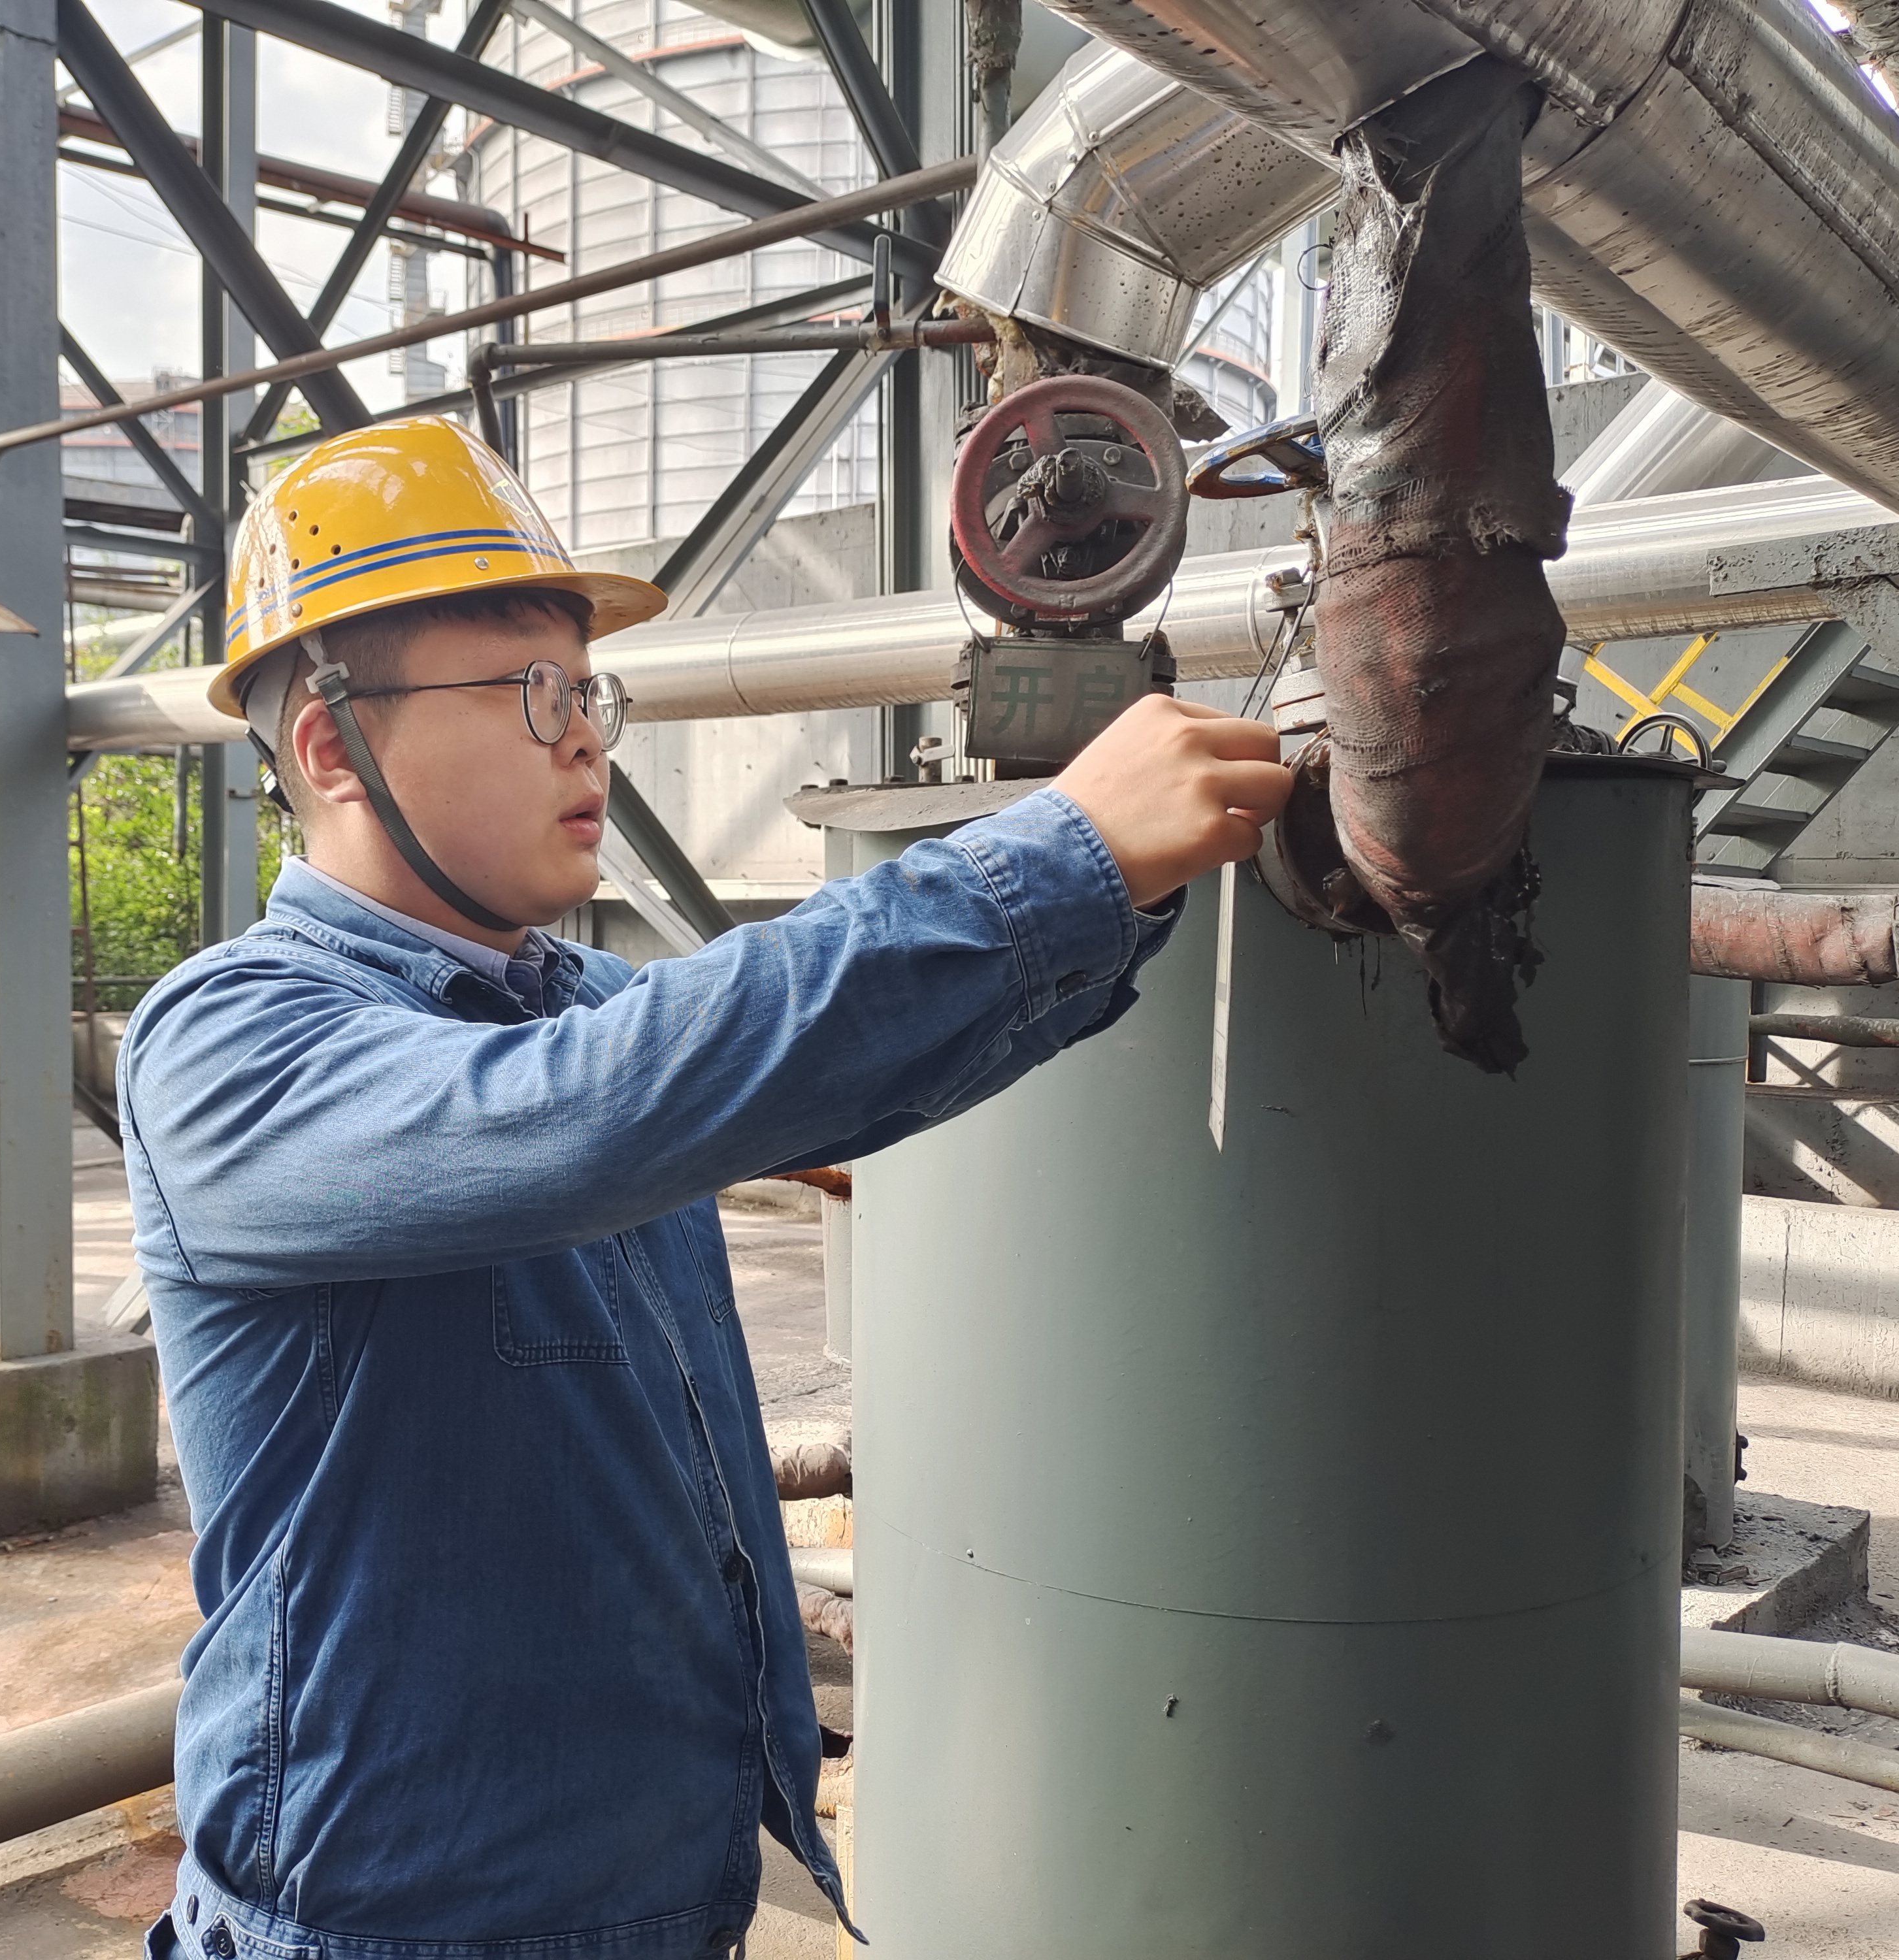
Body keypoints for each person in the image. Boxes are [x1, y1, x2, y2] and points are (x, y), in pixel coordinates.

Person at [120, 418, 1290, 1960]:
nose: (587, 739)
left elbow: (837, 1077)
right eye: (532, 691)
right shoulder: (230, 1041)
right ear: (332, 749)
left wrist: (1130, 886)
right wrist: (1055, 857)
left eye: (587, 692)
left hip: (662, 1896)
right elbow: (593, 1115)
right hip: (391, 1924)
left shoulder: (576, 1009)